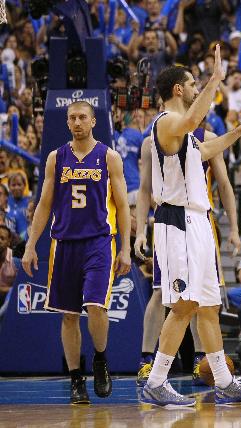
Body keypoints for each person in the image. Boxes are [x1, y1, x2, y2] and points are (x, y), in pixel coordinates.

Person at [139, 50, 241, 407]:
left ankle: (224, 382)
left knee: (208, 306)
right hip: (175, 222)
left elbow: (209, 147)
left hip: (199, 221)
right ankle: (157, 379)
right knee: (183, 304)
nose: (199, 89)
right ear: (179, 89)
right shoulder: (166, 122)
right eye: (194, 84)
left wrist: (240, 130)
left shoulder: (188, 136)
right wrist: (216, 77)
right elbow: (194, 119)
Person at [22, 101, 132, 404]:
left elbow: (122, 205)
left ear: (94, 121)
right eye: (72, 118)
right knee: (69, 316)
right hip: (64, 243)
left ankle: (100, 359)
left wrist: (125, 247)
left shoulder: (109, 157)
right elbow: (44, 204)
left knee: (96, 306)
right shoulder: (56, 158)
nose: (77, 122)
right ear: (67, 123)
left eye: (83, 117)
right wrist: (31, 245)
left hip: (98, 241)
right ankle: (75, 379)